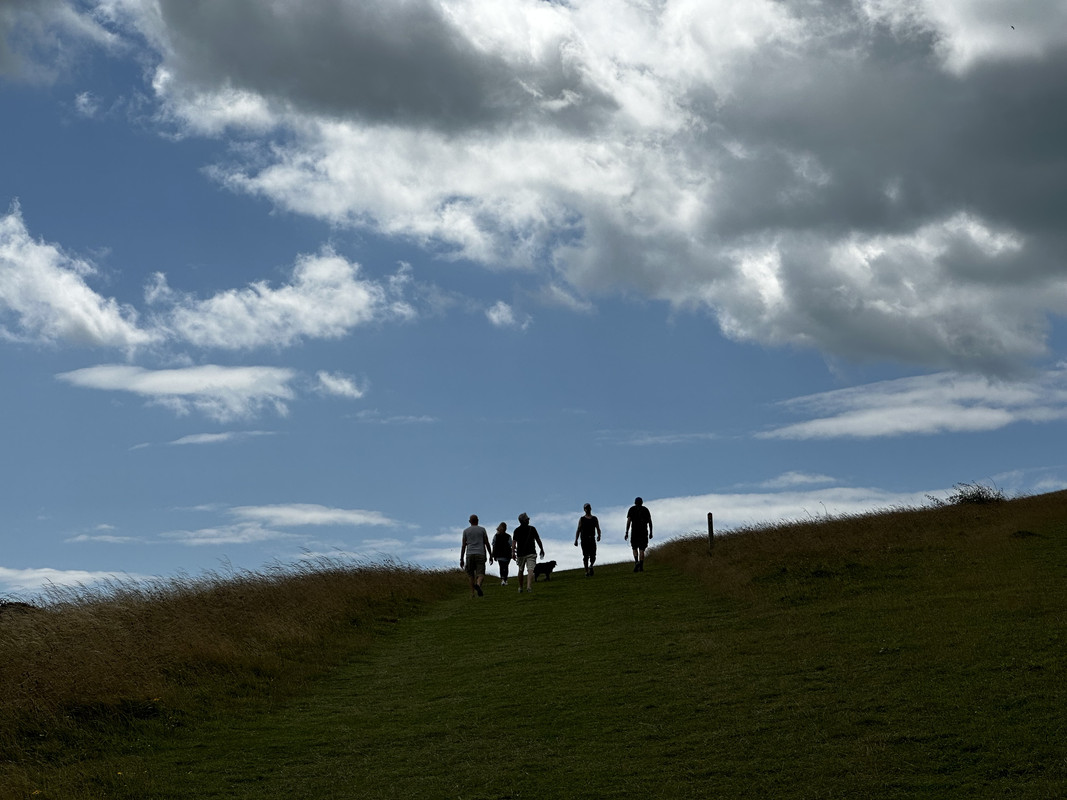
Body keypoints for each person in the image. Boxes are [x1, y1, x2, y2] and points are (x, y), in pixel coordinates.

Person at [460, 514, 493, 597]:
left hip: (469, 554)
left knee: (471, 575)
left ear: (469, 521)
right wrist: (490, 555)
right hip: (480, 554)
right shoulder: (482, 530)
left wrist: (461, 559)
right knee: (481, 574)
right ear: (477, 520)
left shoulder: (466, 531)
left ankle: (472, 593)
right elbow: (486, 543)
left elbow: (463, 545)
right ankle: (478, 585)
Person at [512, 512, 544, 593]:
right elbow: (538, 540)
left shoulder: (516, 530)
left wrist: (513, 552)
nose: (529, 520)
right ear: (525, 521)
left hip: (520, 553)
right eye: (527, 519)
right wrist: (541, 548)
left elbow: (514, 543)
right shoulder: (532, 529)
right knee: (530, 569)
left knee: (520, 570)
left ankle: (520, 587)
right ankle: (529, 587)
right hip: (531, 552)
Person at [625, 497, 653, 572]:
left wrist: (626, 532)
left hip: (634, 531)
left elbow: (628, 521)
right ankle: (641, 566)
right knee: (642, 549)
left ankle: (636, 562)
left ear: (635, 502)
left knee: (634, 548)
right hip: (643, 531)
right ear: (642, 502)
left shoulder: (631, 509)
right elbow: (650, 522)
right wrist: (651, 532)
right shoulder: (645, 510)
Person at [573, 503, 602, 576]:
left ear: (590, 508)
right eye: (586, 508)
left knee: (593, 555)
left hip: (592, 539)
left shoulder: (594, 518)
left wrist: (599, 535)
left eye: (588, 508)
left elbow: (598, 528)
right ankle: (586, 571)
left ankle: (591, 566)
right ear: (584, 509)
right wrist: (576, 540)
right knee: (585, 556)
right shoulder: (582, 519)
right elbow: (578, 529)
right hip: (584, 539)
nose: (587, 509)